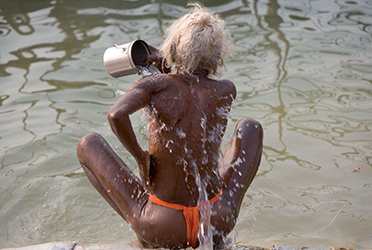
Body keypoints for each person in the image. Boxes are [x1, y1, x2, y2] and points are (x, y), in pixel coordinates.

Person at [77, 3, 263, 249]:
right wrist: (173, 64)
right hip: (215, 219)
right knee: (251, 127)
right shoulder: (225, 90)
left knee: (87, 145)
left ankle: (145, 238)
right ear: (219, 56)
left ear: (171, 49)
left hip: (163, 226)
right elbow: (192, 90)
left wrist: (141, 159)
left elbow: (116, 114)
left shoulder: (156, 85)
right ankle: (219, 234)